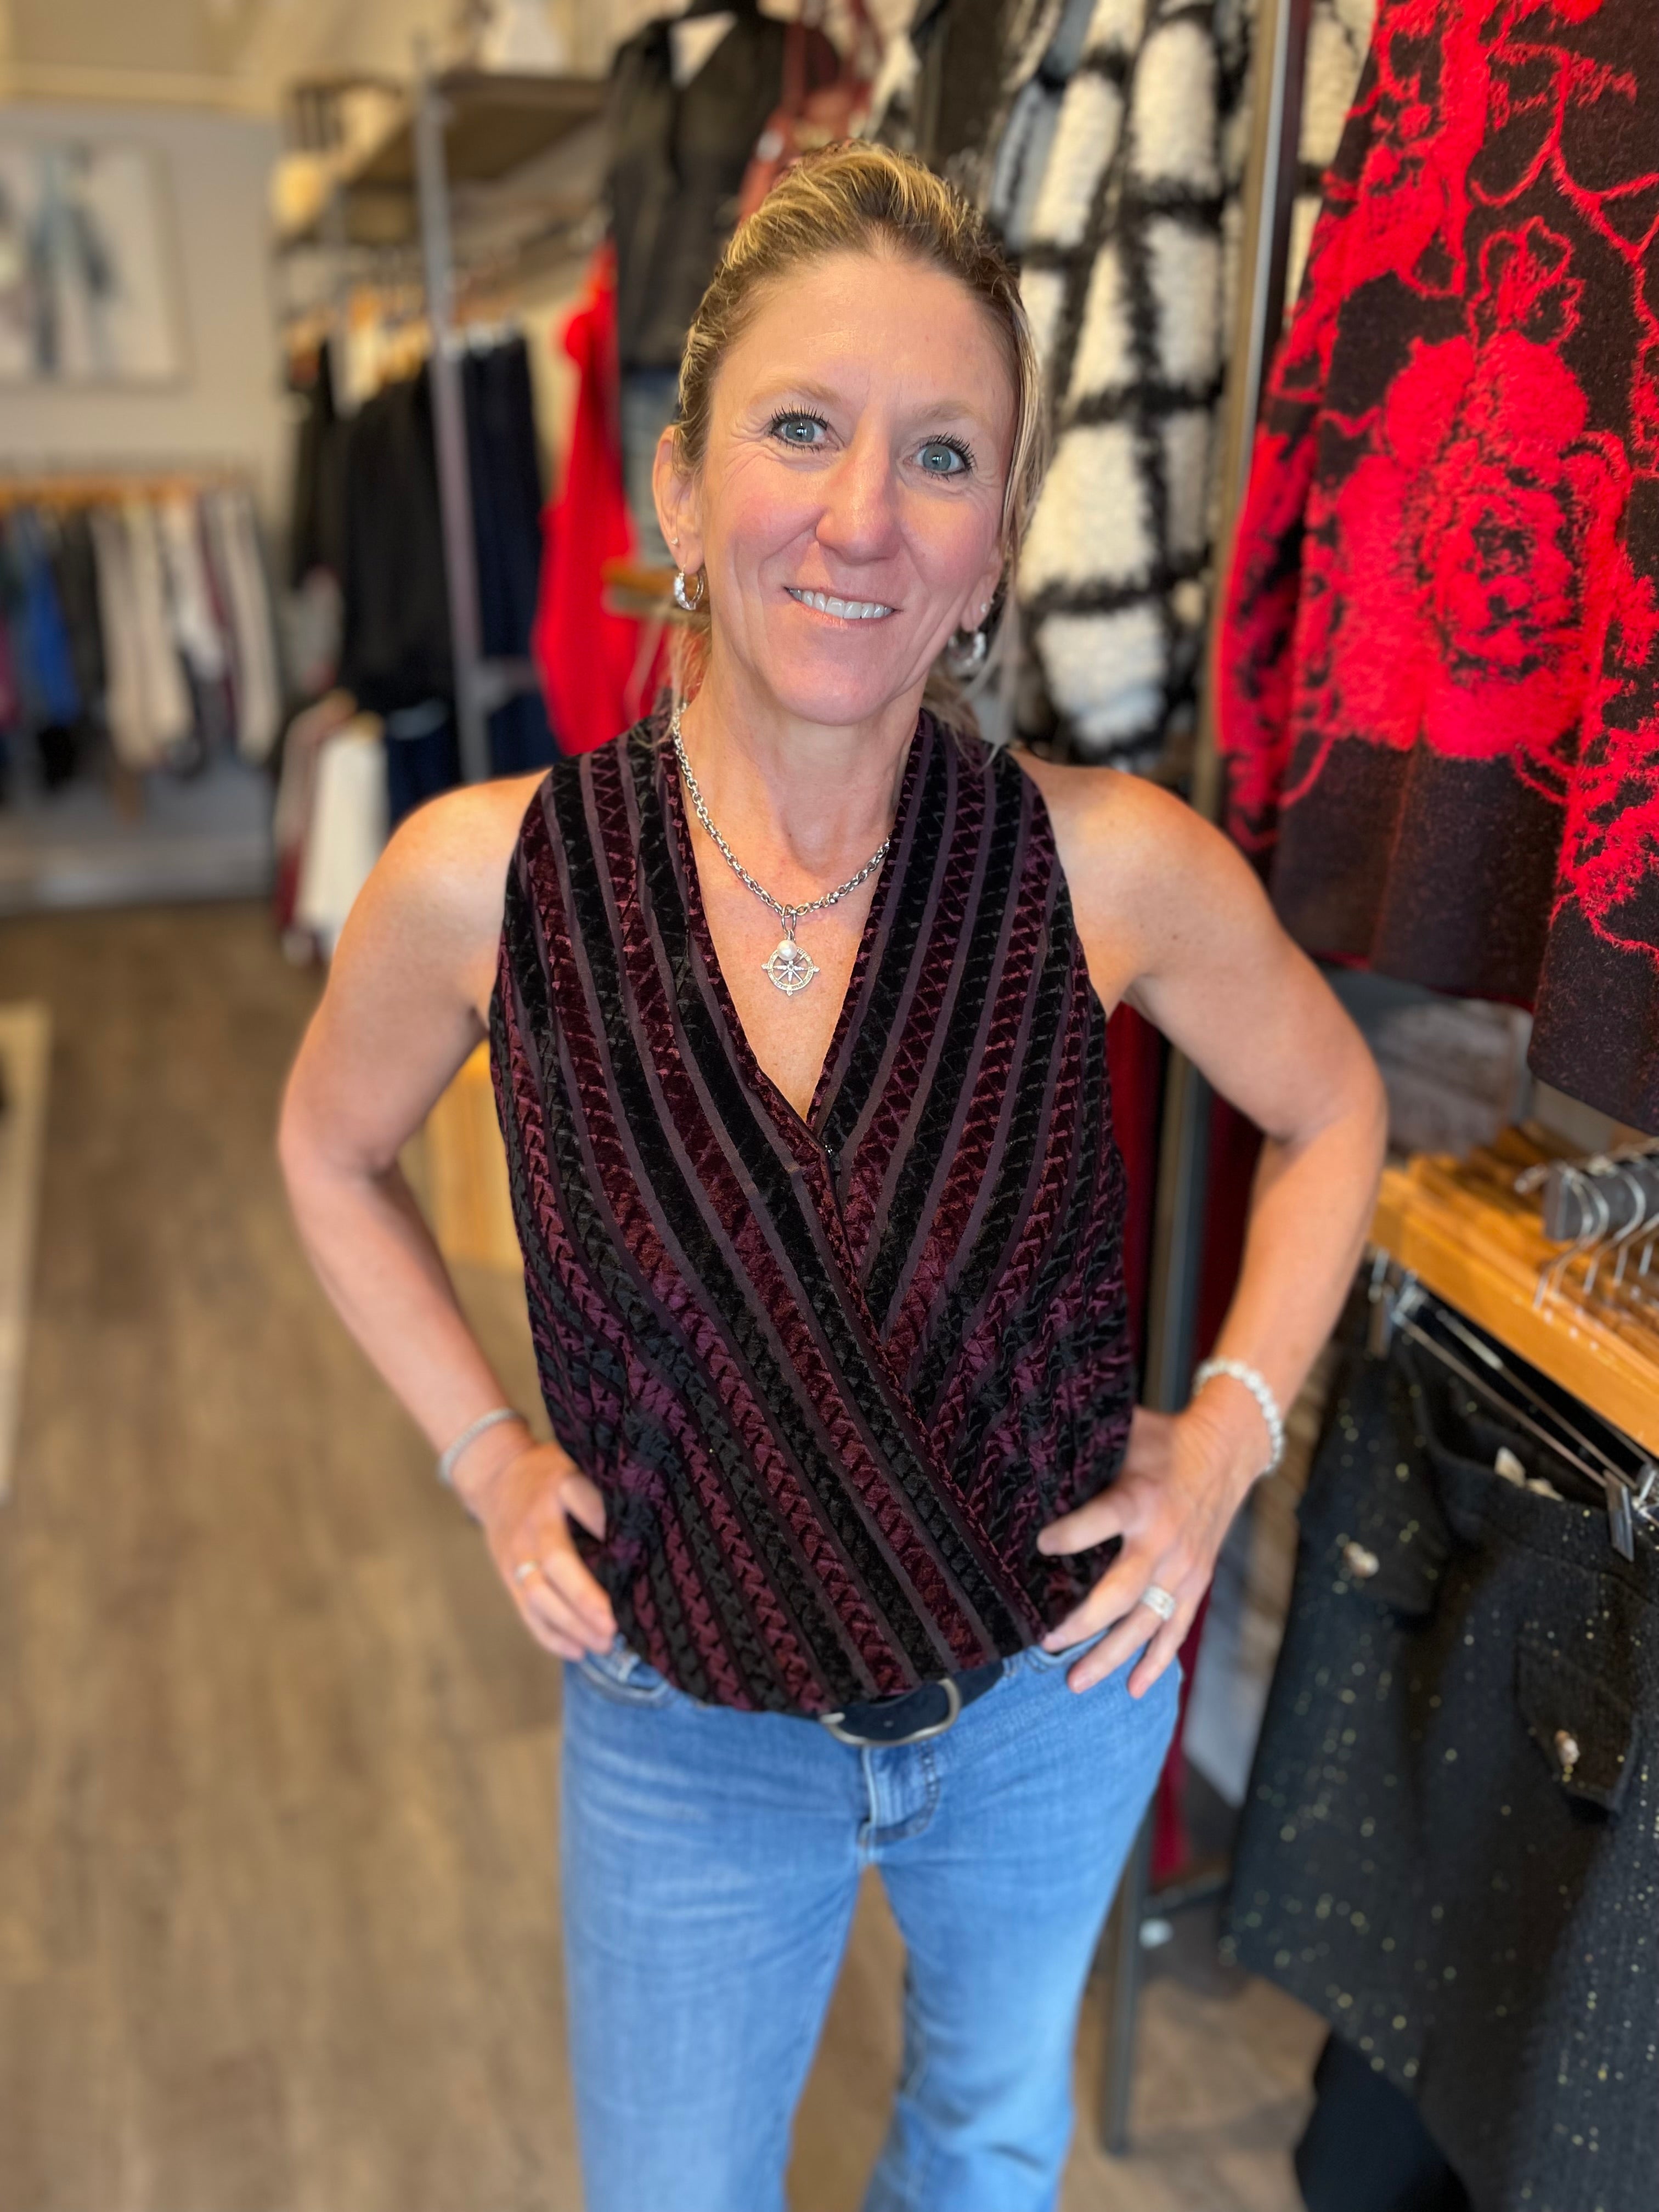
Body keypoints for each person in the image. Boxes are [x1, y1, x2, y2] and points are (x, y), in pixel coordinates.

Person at [280, 144, 1386, 2212]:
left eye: (942, 456)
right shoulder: (484, 885)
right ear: (681, 488)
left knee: (982, 2139)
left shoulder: (1107, 867)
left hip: (1048, 1704)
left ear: (993, 552)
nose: (865, 515)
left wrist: (1229, 1436)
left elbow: (1336, 1110)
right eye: (801, 427)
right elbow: (328, 1153)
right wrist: (490, 1460)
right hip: (682, 1723)